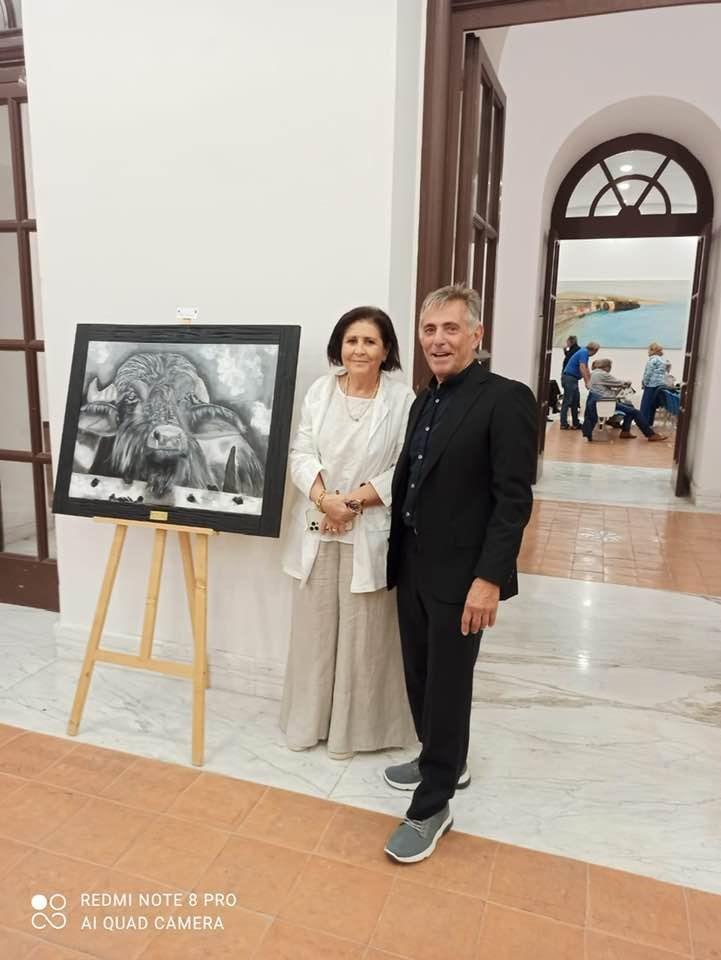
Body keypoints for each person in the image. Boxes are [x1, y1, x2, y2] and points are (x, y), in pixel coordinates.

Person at [381, 285, 537, 863]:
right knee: (420, 675)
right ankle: (441, 758)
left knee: (448, 686)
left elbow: (513, 500)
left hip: (464, 574)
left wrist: (489, 579)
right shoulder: (425, 399)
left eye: (451, 328)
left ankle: (432, 806)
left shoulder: (507, 399)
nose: (438, 340)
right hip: (413, 562)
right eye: (429, 330)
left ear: (477, 334)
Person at [281, 306, 416, 760]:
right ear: (339, 346)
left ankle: (352, 734)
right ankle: (308, 723)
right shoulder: (320, 391)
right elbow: (301, 451)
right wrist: (325, 500)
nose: (359, 349)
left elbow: (403, 466)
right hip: (318, 525)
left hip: (368, 528)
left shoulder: (402, 400)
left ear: (386, 350)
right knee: (315, 631)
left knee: (364, 637)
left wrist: (352, 502)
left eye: (370, 341)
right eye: (351, 340)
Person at [582, 358, 667, 442]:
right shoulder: (603, 374)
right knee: (635, 412)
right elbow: (619, 382)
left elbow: (606, 385)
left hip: (598, 400)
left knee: (630, 407)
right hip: (607, 401)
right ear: (607, 367)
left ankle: (625, 432)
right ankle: (651, 435)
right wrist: (627, 382)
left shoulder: (594, 373)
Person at [560, 340, 600, 430]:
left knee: (575, 401)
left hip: (572, 379)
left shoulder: (583, 352)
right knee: (567, 401)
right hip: (569, 378)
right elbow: (582, 368)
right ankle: (563, 423)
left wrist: (590, 380)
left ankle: (575, 423)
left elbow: (586, 368)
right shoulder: (584, 353)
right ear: (594, 350)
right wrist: (587, 382)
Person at [640, 342, 671, 426]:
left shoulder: (652, 360)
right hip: (659, 385)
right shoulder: (662, 360)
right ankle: (649, 422)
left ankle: (643, 423)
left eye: (649, 350)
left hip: (651, 384)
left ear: (653, 350)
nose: (647, 352)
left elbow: (648, 373)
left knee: (645, 405)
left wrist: (644, 382)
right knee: (652, 405)